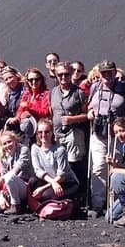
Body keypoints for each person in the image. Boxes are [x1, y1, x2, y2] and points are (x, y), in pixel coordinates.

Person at [87, 60, 125, 214]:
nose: (107, 75)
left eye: (110, 72)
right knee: (98, 168)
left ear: (115, 72)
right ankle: (97, 204)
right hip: (98, 134)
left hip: (118, 136)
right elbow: (90, 106)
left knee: (116, 167)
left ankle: (116, 203)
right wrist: (90, 113)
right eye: (104, 72)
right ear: (100, 74)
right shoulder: (95, 87)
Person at [50, 61, 89, 200]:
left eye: (66, 74)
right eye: (60, 74)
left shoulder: (79, 93)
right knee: (60, 166)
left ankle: (79, 195)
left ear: (71, 73)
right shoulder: (53, 92)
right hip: (57, 134)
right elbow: (51, 113)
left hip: (74, 134)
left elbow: (88, 115)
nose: (63, 77)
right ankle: (65, 196)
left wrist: (73, 119)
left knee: (74, 164)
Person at [29, 118, 78, 210]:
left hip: (66, 182)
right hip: (51, 180)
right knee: (32, 182)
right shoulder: (35, 148)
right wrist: (52, 183)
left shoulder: (60, 150)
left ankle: (69, 203)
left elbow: (62, 176)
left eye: (47, 132)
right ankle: (46, 206)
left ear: (52, 133)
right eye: (40, 132)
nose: (43, 135)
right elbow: (38, 171)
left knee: (46, 195)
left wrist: (44, 188)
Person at [0, 130, 33, 214]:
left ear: (15, 140)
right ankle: (8, 203)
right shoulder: (3, 156)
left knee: (9, 177)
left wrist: (2, 179)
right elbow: (3, 174)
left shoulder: (24, 149)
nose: (7, 145)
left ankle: (16, 206)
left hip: (25, 186)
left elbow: (17, 168)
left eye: (9, 142)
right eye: (4, 144)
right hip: (9, 187)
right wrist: (3, 193)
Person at [13, 67, 51, 144]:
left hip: (40, 130)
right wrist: (17, 118)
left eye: (36, 79)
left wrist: (29, 107)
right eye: (31, 80)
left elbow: (45, 112)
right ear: (27, 81)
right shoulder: (26, 94)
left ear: (41, 80)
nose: (34, 82)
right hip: (27, 130)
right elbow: (20, 110)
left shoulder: (46, 94)